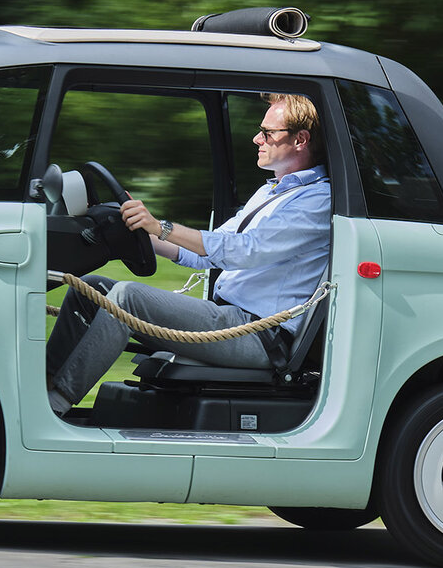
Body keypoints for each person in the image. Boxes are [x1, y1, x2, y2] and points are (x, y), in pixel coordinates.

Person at [47, 93, 332, 415]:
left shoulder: (318, 200)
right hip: (228, 319)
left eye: (267, 132)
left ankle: (54, 406)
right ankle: (43, 386)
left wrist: (161, 226)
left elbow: (243, 251)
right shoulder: (271, 192)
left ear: (300, 139)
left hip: (257, 334)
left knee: (126, 296)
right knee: (92, 289)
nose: (257, 139)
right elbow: (207, 252)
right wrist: (138, 233)